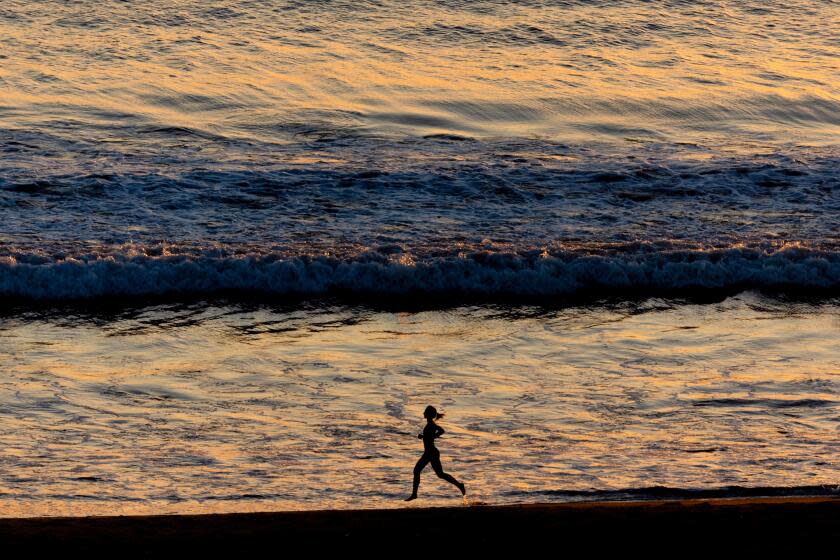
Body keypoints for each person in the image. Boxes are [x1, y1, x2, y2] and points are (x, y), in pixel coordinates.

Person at [405, 405, 466, 501]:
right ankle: (459, 485)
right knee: (440, 474)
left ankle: (414, 494)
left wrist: (434, 436)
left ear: (428, 414)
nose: (423, 413)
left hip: (430, 452)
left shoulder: (431, 424)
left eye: (425, 411)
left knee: (417, 471)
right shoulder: (430, 423)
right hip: (430, 452)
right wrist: (424, 436)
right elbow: (430, 435)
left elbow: (442, 430)